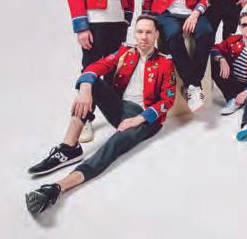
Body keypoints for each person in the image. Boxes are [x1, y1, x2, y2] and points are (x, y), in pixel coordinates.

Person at [25, 15, 176, 214]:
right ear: (134, 33)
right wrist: (85, 87)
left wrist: (137, 120)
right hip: (120, 108)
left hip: (145, 118)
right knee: (91, 81)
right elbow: (96, 67)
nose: (144, 37)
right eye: (140, 32)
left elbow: (167, 101)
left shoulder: (165, 62)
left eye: (149, 32)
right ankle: (69, 147)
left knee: (112, 146)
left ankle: (56, 188)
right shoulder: (125, 51)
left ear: (156, 35)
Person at [65, 0, 135, 142]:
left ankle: (115, 114)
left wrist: (127, 18)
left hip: (117, 22)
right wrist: (81, 27)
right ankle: (84, 119)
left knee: (114, 70)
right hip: (94, 23)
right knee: (90, 71)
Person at [210, 11, 247, 141]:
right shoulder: (233, 40)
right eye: (244, 25)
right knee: (214, 63)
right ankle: (232, 99)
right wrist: (221, 59)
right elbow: (214, 48)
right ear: (240, 27)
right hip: (234, 81)